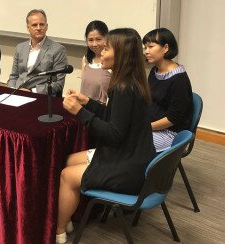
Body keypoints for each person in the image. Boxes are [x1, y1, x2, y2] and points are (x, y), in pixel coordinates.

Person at [56, 28, 156, 243]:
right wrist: (87, 102)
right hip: (135, 156)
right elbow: (115, 118)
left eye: (107, 48)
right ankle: (70, 217)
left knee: (66, 174)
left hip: (128, 166)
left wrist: (80, 113)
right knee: (70, 160)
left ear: (121, 54)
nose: (101, 51)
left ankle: (58, 231)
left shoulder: (123, 87)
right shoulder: (132, 81)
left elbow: (113, 134)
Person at [142, 28, 193, 152]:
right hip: (152, 126)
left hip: (170, 133)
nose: (146, 52)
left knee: (132, 144)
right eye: (145, 47)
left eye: (151, 47)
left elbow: (172, 119)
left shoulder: (179, 79)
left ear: (165, 48)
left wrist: (145, 127)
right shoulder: (155, 71)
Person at [7, 9, 68, 95]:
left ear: (46, 27)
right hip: (17, 93)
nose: (38, 28)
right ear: (28, 28)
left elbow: (58, 84)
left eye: (42, 24)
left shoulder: (58, 50)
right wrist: (12, 90)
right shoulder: (20, 48)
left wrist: (32, 92)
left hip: (40, 96)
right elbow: (14, 76)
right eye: (34, 25)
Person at [80, 20, 111, 103]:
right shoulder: (85, 59)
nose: (94, 44)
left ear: (107, 38)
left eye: (98, 39)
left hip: (102, 111)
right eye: (90, 40)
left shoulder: (111, 62)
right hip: (84, 109)